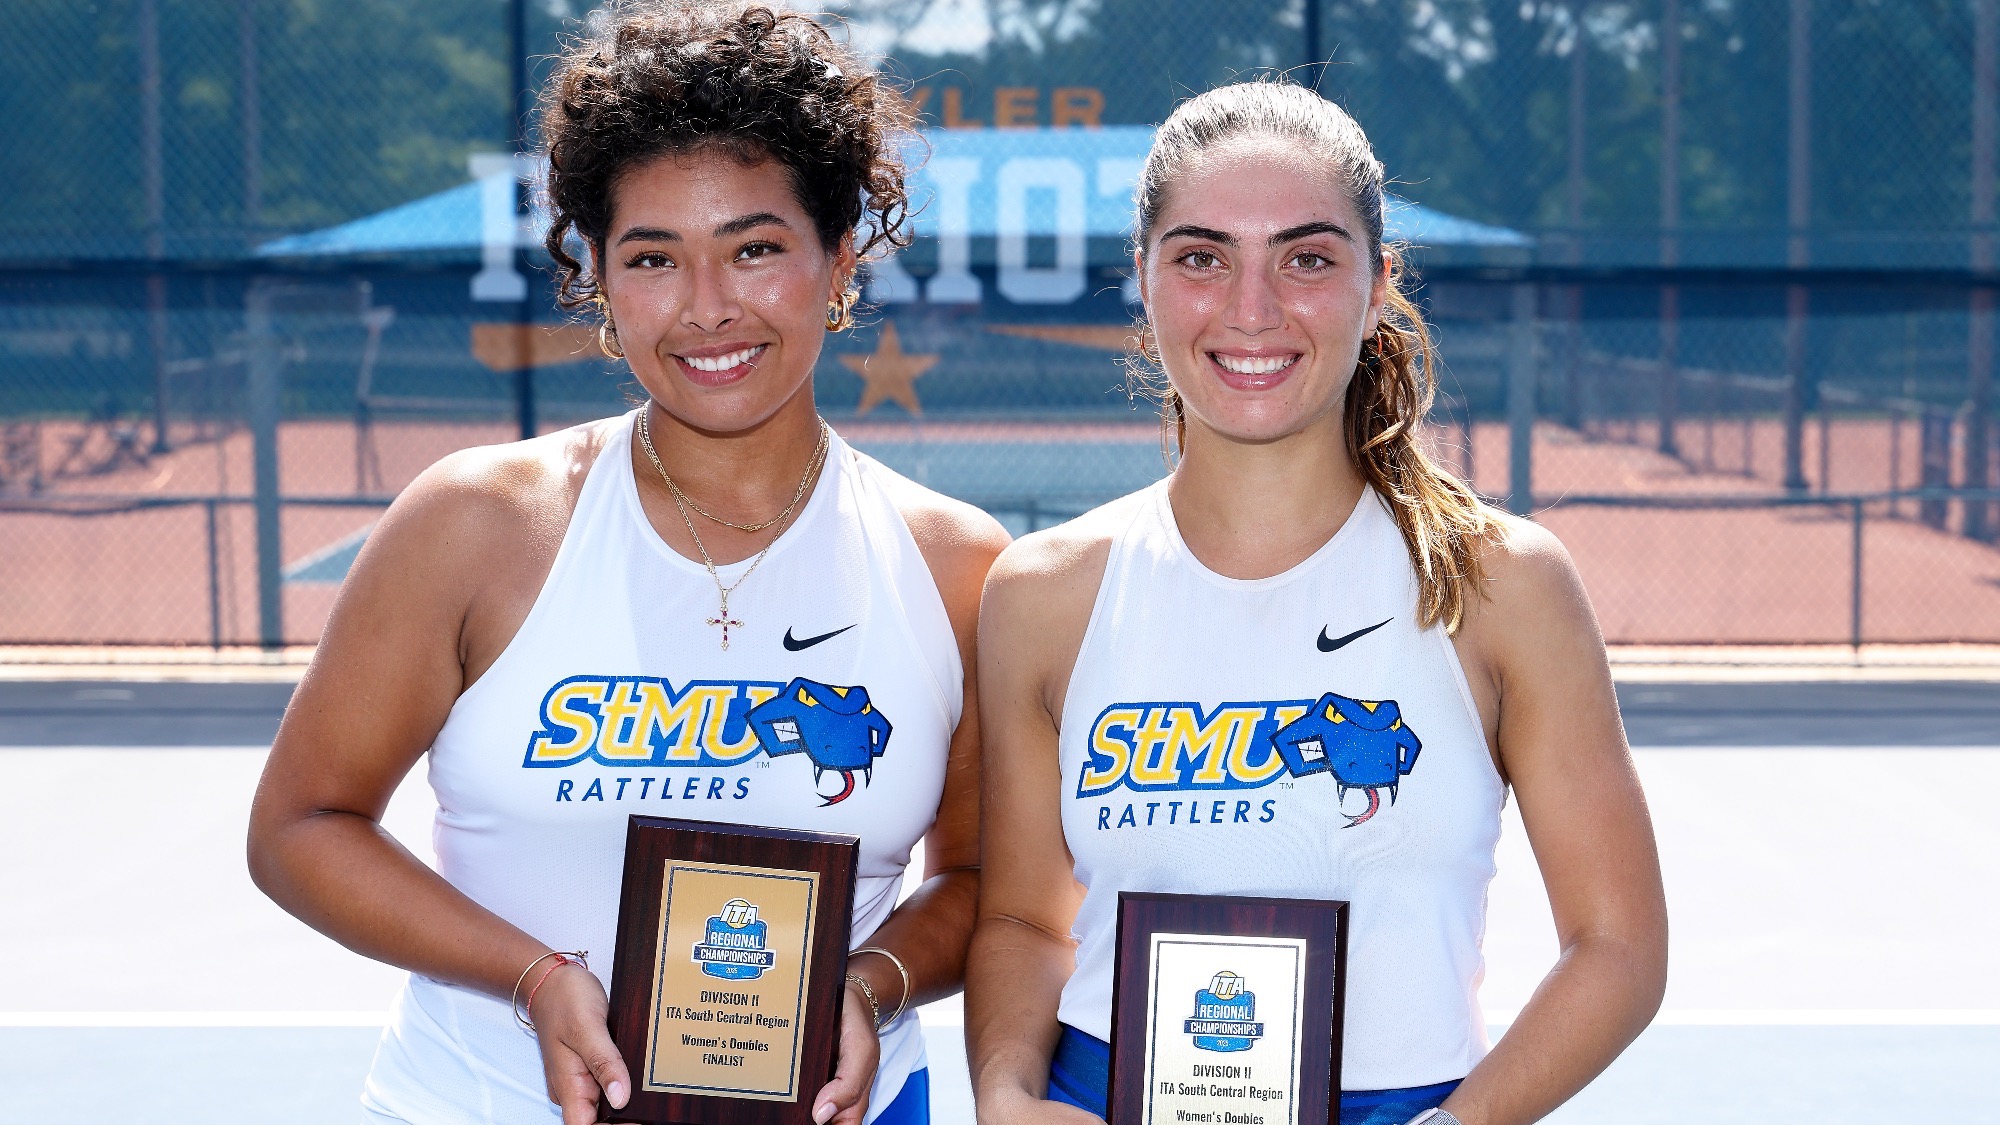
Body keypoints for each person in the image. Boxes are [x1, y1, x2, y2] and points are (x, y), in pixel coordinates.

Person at [247, 6, 1006, 1124]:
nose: (707, 308)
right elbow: (301, 827)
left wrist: (865, 983)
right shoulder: (476, 525)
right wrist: (533, 976)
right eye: (653, 257)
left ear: (838, 256)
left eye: (754, 248)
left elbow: (984, 883)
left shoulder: (958, 567)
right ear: (596, 274)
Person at [968, 81, 1666, 1125]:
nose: (1250, 309)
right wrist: (1006, 1096)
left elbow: (1617, 948)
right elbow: (1024, 917)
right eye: (1201, 258)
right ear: (1141, 280)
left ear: (1378, 282)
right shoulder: (1043, 592)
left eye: (1305, 258)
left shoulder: (1494, 582)